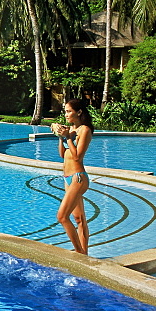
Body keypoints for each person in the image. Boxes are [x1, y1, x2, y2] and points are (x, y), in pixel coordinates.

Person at [50, 98, 93, 254]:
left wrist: (68, 137)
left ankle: (79, 253)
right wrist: (61, 136)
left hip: (78, 177)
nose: (66, 114)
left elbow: (77, 157)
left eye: (68, 111)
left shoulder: (84, 130)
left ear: (79, 112)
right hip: (68, 179)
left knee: (62, 217)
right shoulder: (71, 130)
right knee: (79, 219)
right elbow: (63, 155)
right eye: (65, 111)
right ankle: (85, 253)